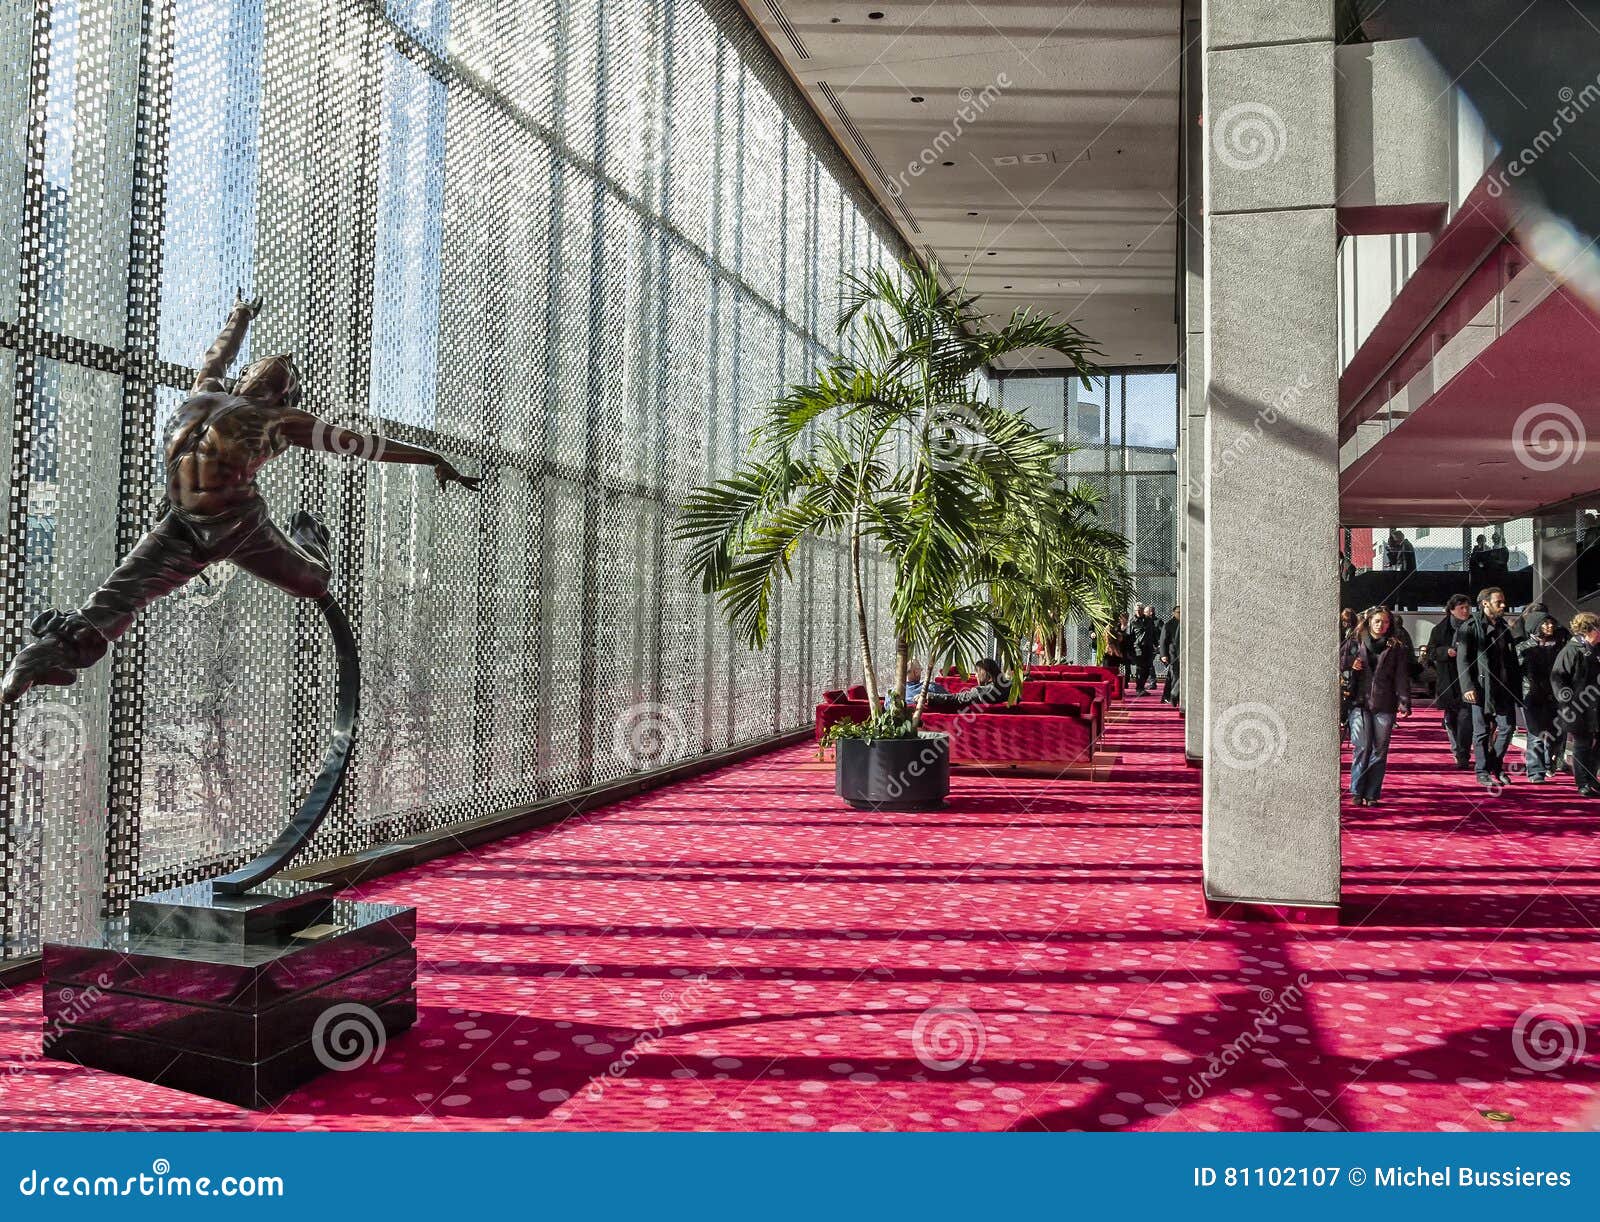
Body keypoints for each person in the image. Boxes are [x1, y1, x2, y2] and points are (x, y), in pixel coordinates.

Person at [1, 293, 481, 702]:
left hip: (235, 526)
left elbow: (364, 444)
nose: (280, 370)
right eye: (273, 369)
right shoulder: (228, 399)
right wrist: (239, 318)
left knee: (314, 580)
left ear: (284, 393)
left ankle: (307, 536)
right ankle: (36, 658)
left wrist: (431, 457)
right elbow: (219, 354)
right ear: (252, 378)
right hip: (185, 525)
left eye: (286, 376)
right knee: (111, 602)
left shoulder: (268, 415)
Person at [1340, 606, 1412, 807]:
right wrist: (1350, 663)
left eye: (1385, 622)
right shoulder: (1356, 641)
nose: (1381, 625)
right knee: (1362, 746)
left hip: (1385, 703)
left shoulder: (1395, 646)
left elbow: (1401, 676)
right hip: (1359, 701)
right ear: (1369, 621)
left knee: (1380, 750)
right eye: (1377, 621)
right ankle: (1356, 789)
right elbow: (1338, 661)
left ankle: (1372, 793)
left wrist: (1404, 701)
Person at [1457, 586, 1523, 789]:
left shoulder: (1504, 628)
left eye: (1503, 602)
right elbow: (1463, 660)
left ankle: (1495, 764)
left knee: (1508, 727)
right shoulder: (1470, 627)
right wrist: (1468, 686)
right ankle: (1482, 770)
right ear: (1485, 603)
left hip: (1504, 688)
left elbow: (1511, 660)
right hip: (1481, 687)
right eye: (1498, 602)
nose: (1503, 605)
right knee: (1482, 732)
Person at [1552, 612, 1600, 798]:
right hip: (1577, 708)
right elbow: (1557, 678)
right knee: (1582, 743)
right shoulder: (1571, 651)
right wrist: (1568, 701)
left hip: (1596, 706)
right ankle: (1582, 782)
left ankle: (1590, 776)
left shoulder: (1596, 649)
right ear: (1589, 630)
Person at [1518, 613, 1569, 783]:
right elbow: (1515, 672)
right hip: (1531, 695)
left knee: (1557, 733)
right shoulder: (1523, 648)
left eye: (1551, 623)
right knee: (1536, 734)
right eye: (1544, 623)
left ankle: (1550, 762)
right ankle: (1535, 772)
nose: (1549, 626)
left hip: (1556, 695)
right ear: (1534, 626)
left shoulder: (1561, 646)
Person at [1427, 594, 1474, 768]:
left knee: (1465, 717)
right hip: (1447, 679)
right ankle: (1457, 749)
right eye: (1461, 607)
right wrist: (1445, 652)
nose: (1465, 611)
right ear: (1452, 610)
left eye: (1468, 607)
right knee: (1450, 718)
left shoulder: (1474, 627)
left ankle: (1463, 753)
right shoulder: (1439, 630)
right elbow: (1430, 653)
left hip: (1468, 680)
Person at [925, 657, 1008, 709]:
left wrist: (931, 697)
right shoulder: (1010, 688)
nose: (975, 675)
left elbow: (957, 699)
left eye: (977, 672)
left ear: (987, 675)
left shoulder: (980, 692)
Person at [1131, 605, 1160, 695]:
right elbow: (1130, 636)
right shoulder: (1132, 622)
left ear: (1143, 610)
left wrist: (1157, 644)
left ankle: (1142, 687)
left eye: (1140, 610)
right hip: (1138, 648)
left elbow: (1153, 632)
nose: (1138, 612)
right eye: (1137, 610)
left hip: (1148, 647)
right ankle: (1139, 688)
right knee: (1140, 669)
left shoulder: (1148, 620)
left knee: (1147, 669)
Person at [1160, 605, 1181, 706]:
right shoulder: (1168, 624)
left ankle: (1171, 695)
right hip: (1173, 654)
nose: (1180, 614)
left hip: (1183, 653)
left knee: (1174, 676)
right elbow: (1163, 640)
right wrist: (1163, 655)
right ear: (1173, 613)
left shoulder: (1185, 622)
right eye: (1178, 612)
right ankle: (1174, 696)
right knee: (1175, 676)